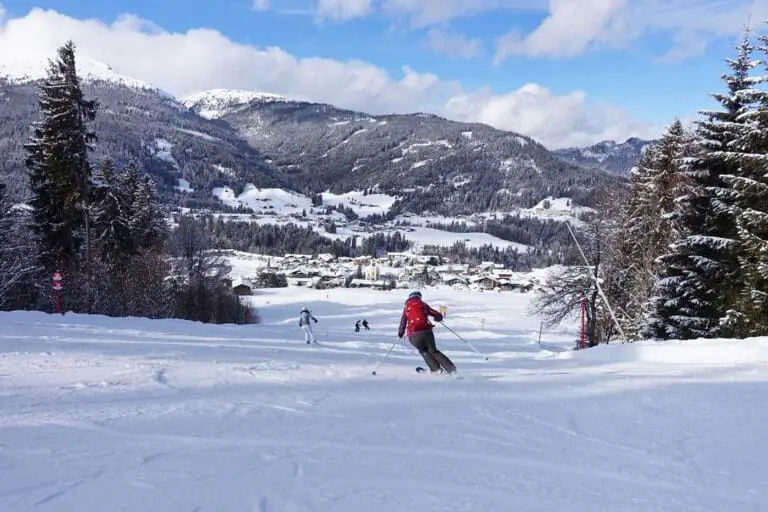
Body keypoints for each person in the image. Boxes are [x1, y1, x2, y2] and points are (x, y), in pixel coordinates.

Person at [397, 291, 456, 374]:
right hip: (426, 332)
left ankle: (436, 369)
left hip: (413, 335)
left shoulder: (407, 308)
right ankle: (451, 369)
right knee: (433, 351)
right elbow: (436, 314)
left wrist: (400, 333)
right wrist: (438, 318)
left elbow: (403, 322)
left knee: (423, 350)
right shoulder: (423, 305)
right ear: (419, 297)